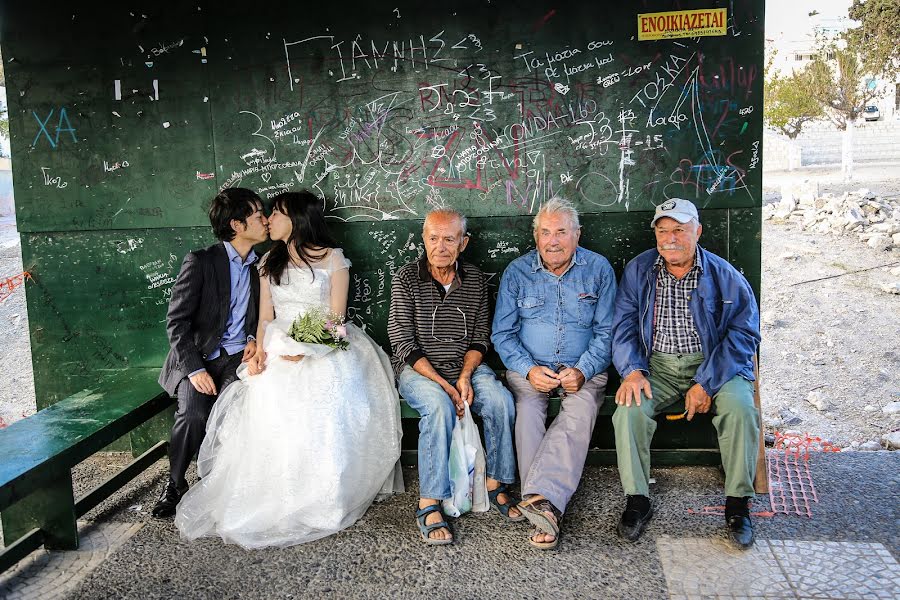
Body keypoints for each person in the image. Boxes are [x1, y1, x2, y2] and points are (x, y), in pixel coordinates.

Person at [174, 191, 403, 548]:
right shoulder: (268, 262)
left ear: (296, 219)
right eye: (264, 215)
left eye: (276, 214)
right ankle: (277, 488)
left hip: (325, 345)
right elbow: (266, 317)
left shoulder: (333, 259)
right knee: (268, 396)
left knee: (327, 396)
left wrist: (307, 347)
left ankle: (325, 493)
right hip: (280, 346)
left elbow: (336, 320)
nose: (268, 220)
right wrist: (262, 350)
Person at [611, 198, 761, 549]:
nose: (670, 238)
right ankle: (637, 500)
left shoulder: (724, 275)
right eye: (663, 230)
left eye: (679, 229)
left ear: (698, 231)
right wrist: (633, 371)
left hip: (714, 365)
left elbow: (745, 334)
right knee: (628, 412)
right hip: (657, 366)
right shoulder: (640, 269)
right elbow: (622, 327)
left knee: (741, 409)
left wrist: (705, 382)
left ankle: (738, 505)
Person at [388, 208, 519, 545]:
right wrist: (446, 386)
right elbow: (402, 341)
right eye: (433, 238)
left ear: (464, 242)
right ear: (424, 239)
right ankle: (429, 501)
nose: (440, 246)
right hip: (419, 370)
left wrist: (464, 376)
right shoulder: (406, 278)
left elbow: (480, 337)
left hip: (464, 367)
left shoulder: (475, 279)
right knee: (440, 407)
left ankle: (496, 482)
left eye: (449, 239)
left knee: (499, 399)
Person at [492, 197, 616, 550]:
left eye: (561, 231)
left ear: (577, 234)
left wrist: (584, 368)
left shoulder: (599, 269)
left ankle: (539, 501)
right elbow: (502, 334)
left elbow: (608, 332)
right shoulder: (517, 272)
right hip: (529, 368)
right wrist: (529, 370)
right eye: (545, 232)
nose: (553, 241)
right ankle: (546, 504)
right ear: (536, 237)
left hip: (584, 369)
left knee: (578, 411)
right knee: (528, 412)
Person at [153, 188, 268, 518]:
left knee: (238, 411)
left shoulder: (261, 266)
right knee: (193, 414)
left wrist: (251, 337)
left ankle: (223, 485)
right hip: (198, 358)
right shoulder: (202, 261)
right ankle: (175, 485)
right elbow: (177, 321)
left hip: (237, 358)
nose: (264, 220)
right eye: (258, 215)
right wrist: (194, 369)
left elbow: (261, 314)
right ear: (237, 225)